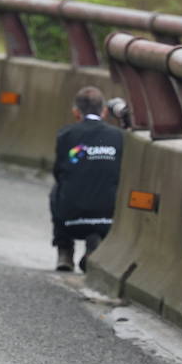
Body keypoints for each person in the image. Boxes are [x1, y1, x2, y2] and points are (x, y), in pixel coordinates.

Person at [51, 86, 124, 272]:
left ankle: (64, 250)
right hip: (106, 218)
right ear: (104, 112)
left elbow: (58, 172)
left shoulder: (66, 135)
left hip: (70, 219)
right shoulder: (118, 136)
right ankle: (94, 245)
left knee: (56, 190)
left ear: (76, 112)